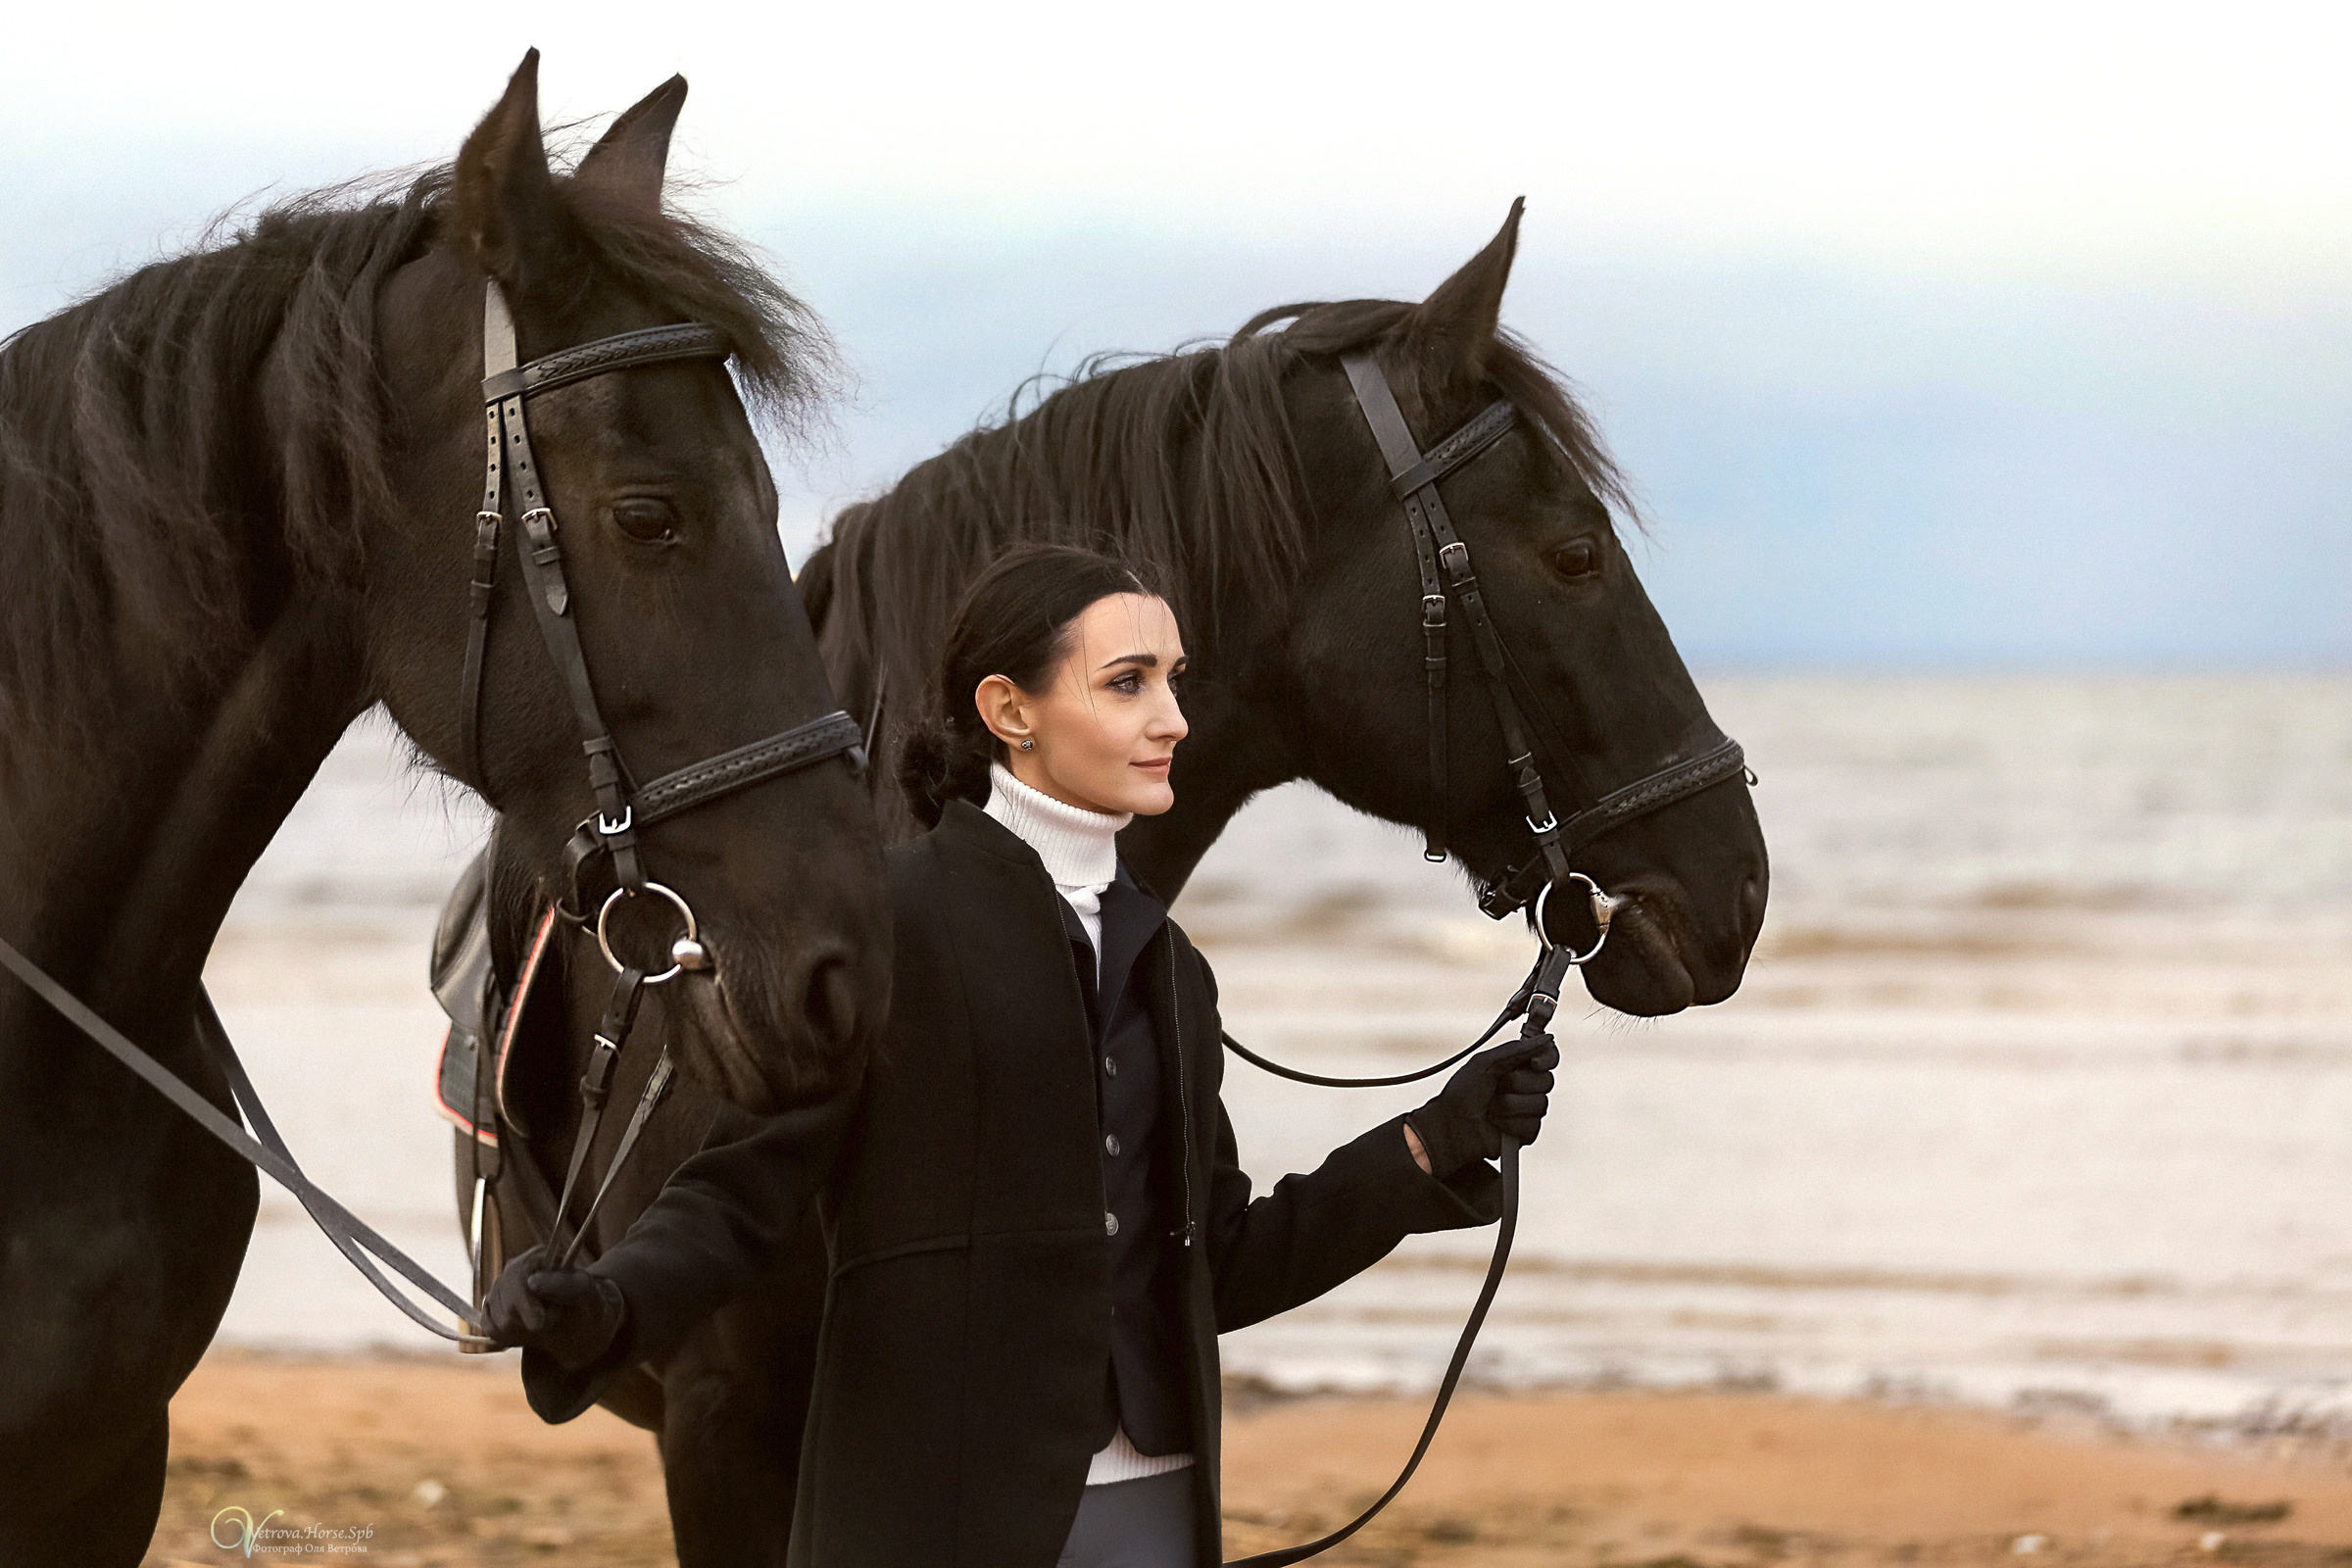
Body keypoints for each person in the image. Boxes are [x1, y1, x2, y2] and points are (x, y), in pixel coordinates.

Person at [485, 543, 1558, 1568]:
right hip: (931, 1521)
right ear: (1009, 710)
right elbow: (738, 1193)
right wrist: (614, 1303)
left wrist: (1425, 1143)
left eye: (1175, 682)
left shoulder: (1174, 968)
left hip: (1156, 1512)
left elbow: (1211, 1263)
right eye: (1128, 683)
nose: (1173, 720)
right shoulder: (892, 926)